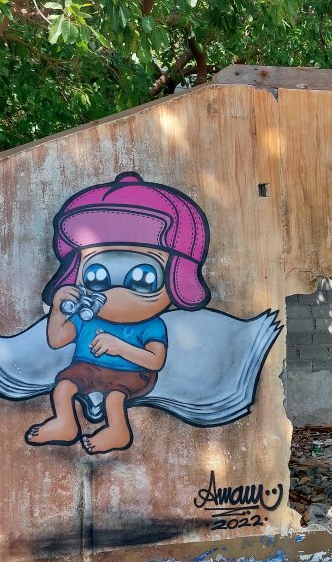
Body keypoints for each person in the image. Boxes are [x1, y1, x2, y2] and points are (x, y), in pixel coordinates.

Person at [25, 172, 210, 454]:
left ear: (177, 279)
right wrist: (58, 309)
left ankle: (118, 432)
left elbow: (155, 360)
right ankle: (65, 424)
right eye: (97, 275)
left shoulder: (151, 325)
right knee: (63, 387)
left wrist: (119, 346)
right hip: (87, 369)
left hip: (131, 374)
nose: (115, 293)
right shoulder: (86, 316)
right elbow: (57, 340)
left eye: (143, 278)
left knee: (114, 398)